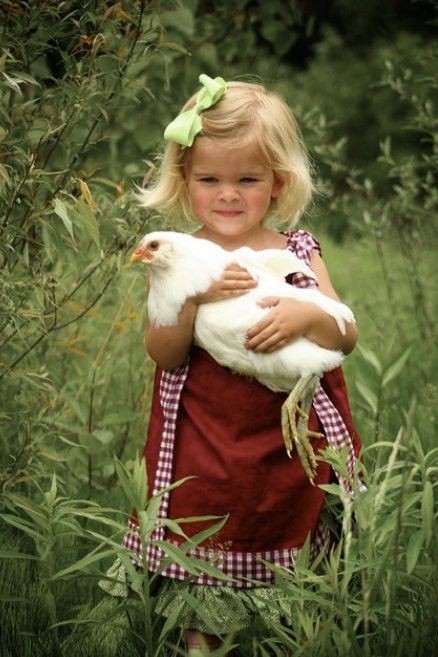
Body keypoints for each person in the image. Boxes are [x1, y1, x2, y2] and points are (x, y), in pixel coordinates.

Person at [103, 74, 361, 655]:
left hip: (290, 441)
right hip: (208, 442)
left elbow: (344, 334)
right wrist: (193, 296)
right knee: (205, 544)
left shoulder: (296, 249)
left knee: (294, 551)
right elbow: (164, 352)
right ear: (184, 181)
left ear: (277, 183)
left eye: (247, 178)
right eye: (209, 179)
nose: (227, 194)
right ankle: (204, 640)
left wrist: (302, 314)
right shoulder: (175, 254)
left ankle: (293, 635)